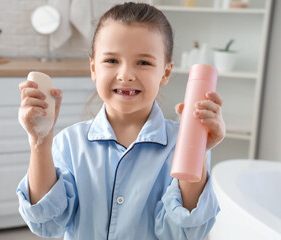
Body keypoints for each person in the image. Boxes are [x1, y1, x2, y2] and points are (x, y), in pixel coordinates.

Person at [16, 2, 225, 239]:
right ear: (93, 67)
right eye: (112, 61)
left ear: (166, 72)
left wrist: (195, 152)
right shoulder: (69, 144)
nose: (125, 74)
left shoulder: (185, 146)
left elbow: (183, 233)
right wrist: (39, 141)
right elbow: (47, 223)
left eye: (144, 62)